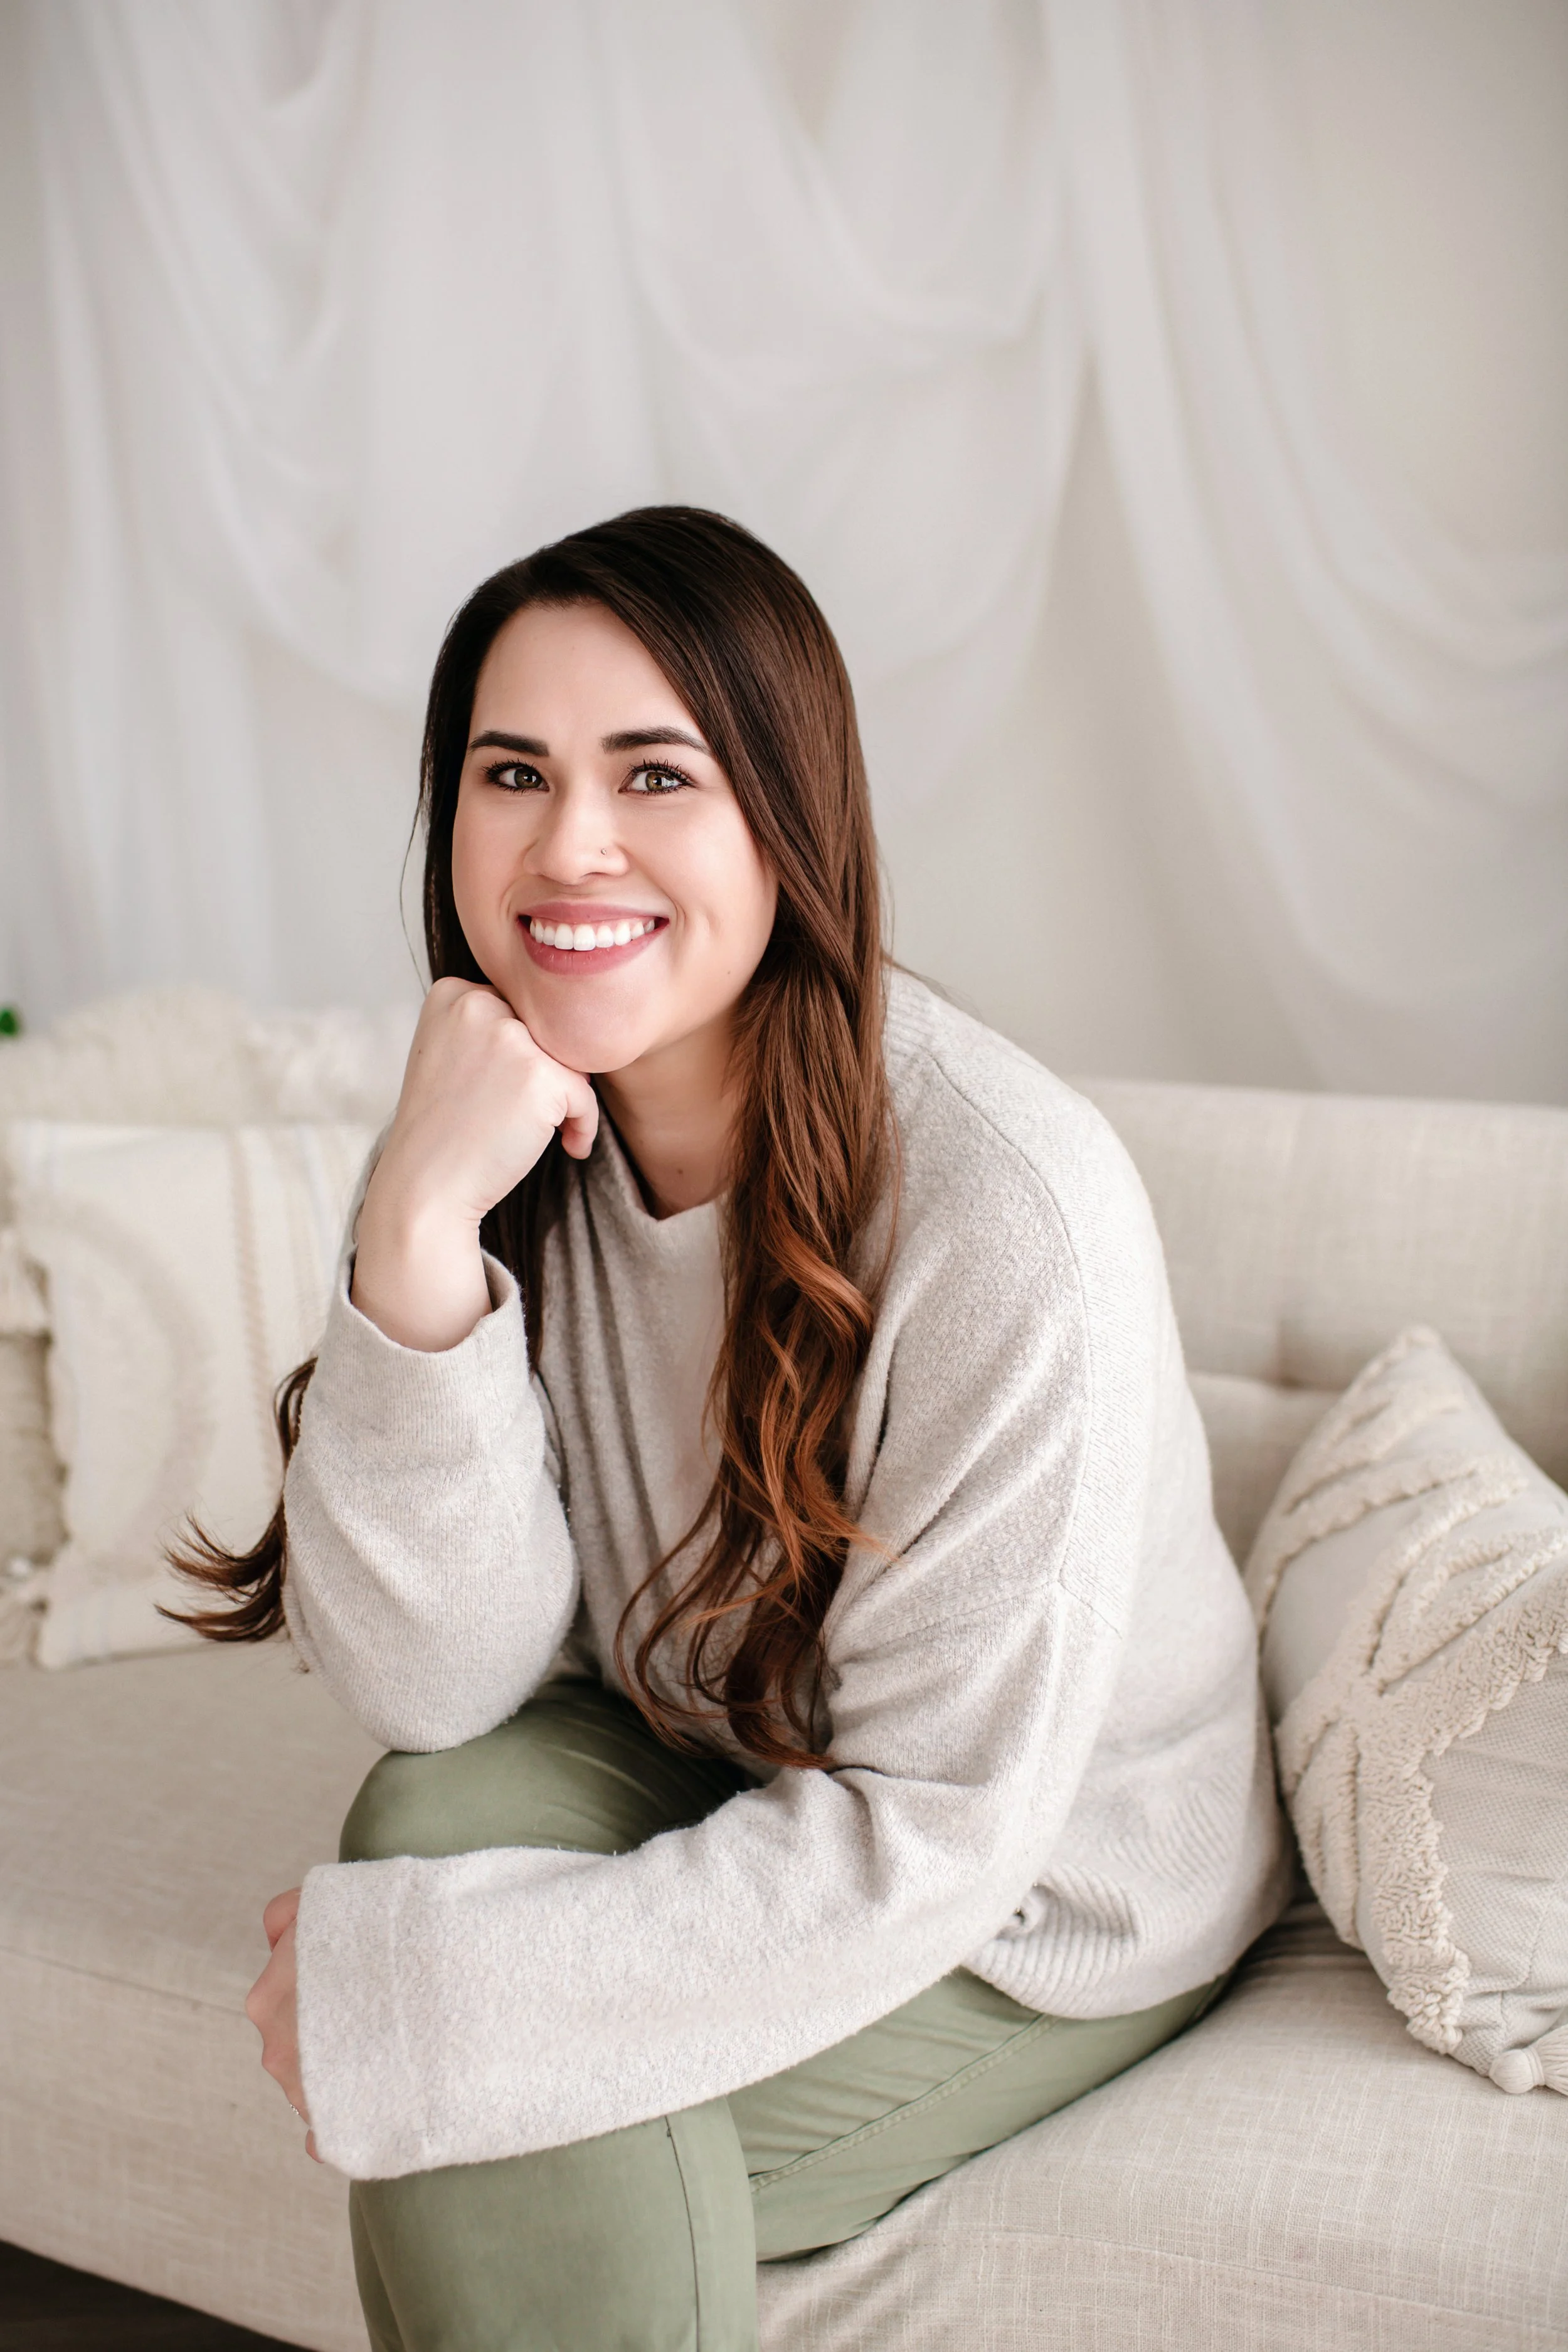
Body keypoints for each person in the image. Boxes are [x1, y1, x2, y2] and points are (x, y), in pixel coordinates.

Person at [176, 506, 1288, 2352]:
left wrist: (437, 2010)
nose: (567, 844)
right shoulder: (488, 1123)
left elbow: (939, 1830)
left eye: (654, 773)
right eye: (509, 770)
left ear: (788, 817)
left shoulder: (1008, 1209)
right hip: (711, 1745)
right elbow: (436, 1686)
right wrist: (414, 1242)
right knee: (424, 1814)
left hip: (1032, 1893)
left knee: (472, 2090)